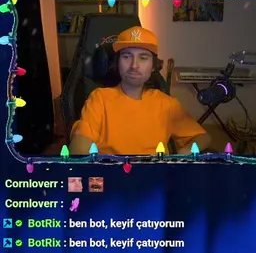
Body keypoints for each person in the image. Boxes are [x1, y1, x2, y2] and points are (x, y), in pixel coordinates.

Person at [69, 25, 212, 156]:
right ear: (117, 63)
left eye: (143, 58)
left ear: (153, 66)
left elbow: (202, 137)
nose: (134, 65)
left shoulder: (166, 104)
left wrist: (185, 152)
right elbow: (80, 146)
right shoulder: (99, 99)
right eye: (126, 56)